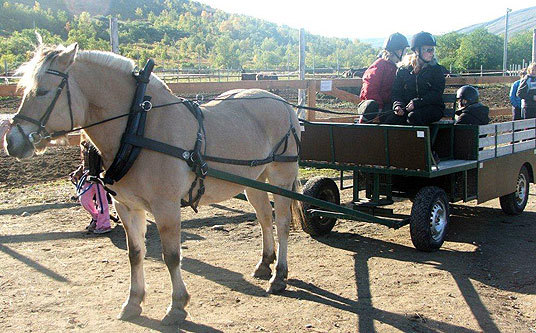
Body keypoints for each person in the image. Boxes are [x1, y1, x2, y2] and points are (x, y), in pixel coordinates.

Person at [384, 31, 446, 125]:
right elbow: (396, 92)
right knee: (391, 119)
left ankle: (422, 139)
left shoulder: (436, 70)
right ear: (417, 50)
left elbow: (436, 94)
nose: (432, 53)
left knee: (414, 117)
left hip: (432, 107)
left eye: (433, 50)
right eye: (428, 50)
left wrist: (417, 103)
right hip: (409, 107)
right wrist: (398, 105)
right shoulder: (403, 70)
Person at [358, 32, 409, 123]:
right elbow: (370, 87)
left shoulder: (401, 67)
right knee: (371, 106)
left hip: (389, 104)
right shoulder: (380, 65)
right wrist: (380, 107)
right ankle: (363, 128)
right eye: (404, 51)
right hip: (373, 104)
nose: (406, 53)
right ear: (397, 51)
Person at [70, 139, 112, 234]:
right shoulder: (85, 144)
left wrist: (99, 173)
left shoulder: (99, 142)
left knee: (101, 201)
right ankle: (97, 218)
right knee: (84, 199)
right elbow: (85, 162)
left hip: (99, 177)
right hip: (88, 177)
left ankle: (104, 225)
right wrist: (79, 172)